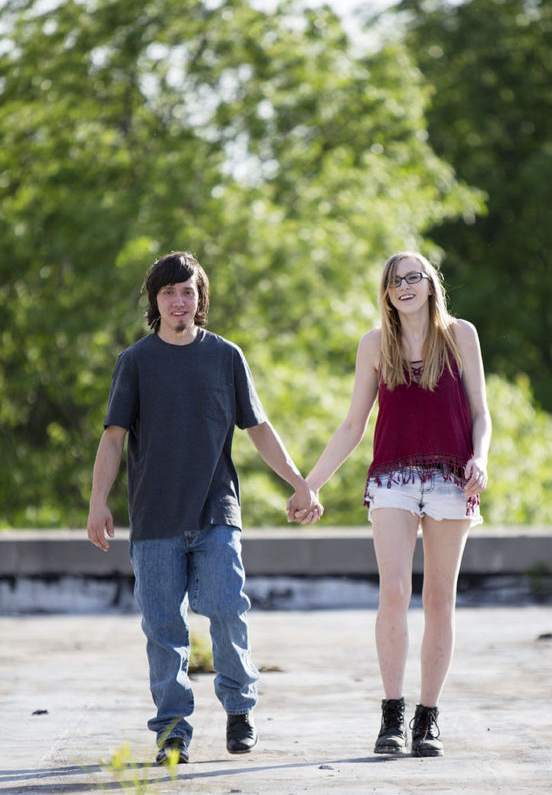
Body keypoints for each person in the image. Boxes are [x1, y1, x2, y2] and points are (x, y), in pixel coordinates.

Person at [87, 251, 321, 765]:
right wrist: (97, 502)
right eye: (168, 292)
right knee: (163, 628)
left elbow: (258, 428)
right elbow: (112, 437)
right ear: (155, 300)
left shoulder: (225, 356)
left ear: (200, 298)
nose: (178, 301)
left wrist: (301, 483)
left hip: (216, 509)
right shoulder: (136, 362)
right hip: (154, 518)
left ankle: (240, 711)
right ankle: (172, 730)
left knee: (225, 608)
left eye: (187, 291)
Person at [289, 251, 490, 758]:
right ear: (386, 292)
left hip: (451, 480)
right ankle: (392, 715)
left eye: (413, 277)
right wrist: (309, 483)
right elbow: (353, 426)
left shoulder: (461, 335)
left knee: (440, 601)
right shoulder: (375, 345)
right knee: (395, 591)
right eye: (394, 280)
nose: (404, 286)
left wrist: (481, 458)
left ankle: (429, 718)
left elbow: (482, 414)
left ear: (429, 285)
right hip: (393, 480)